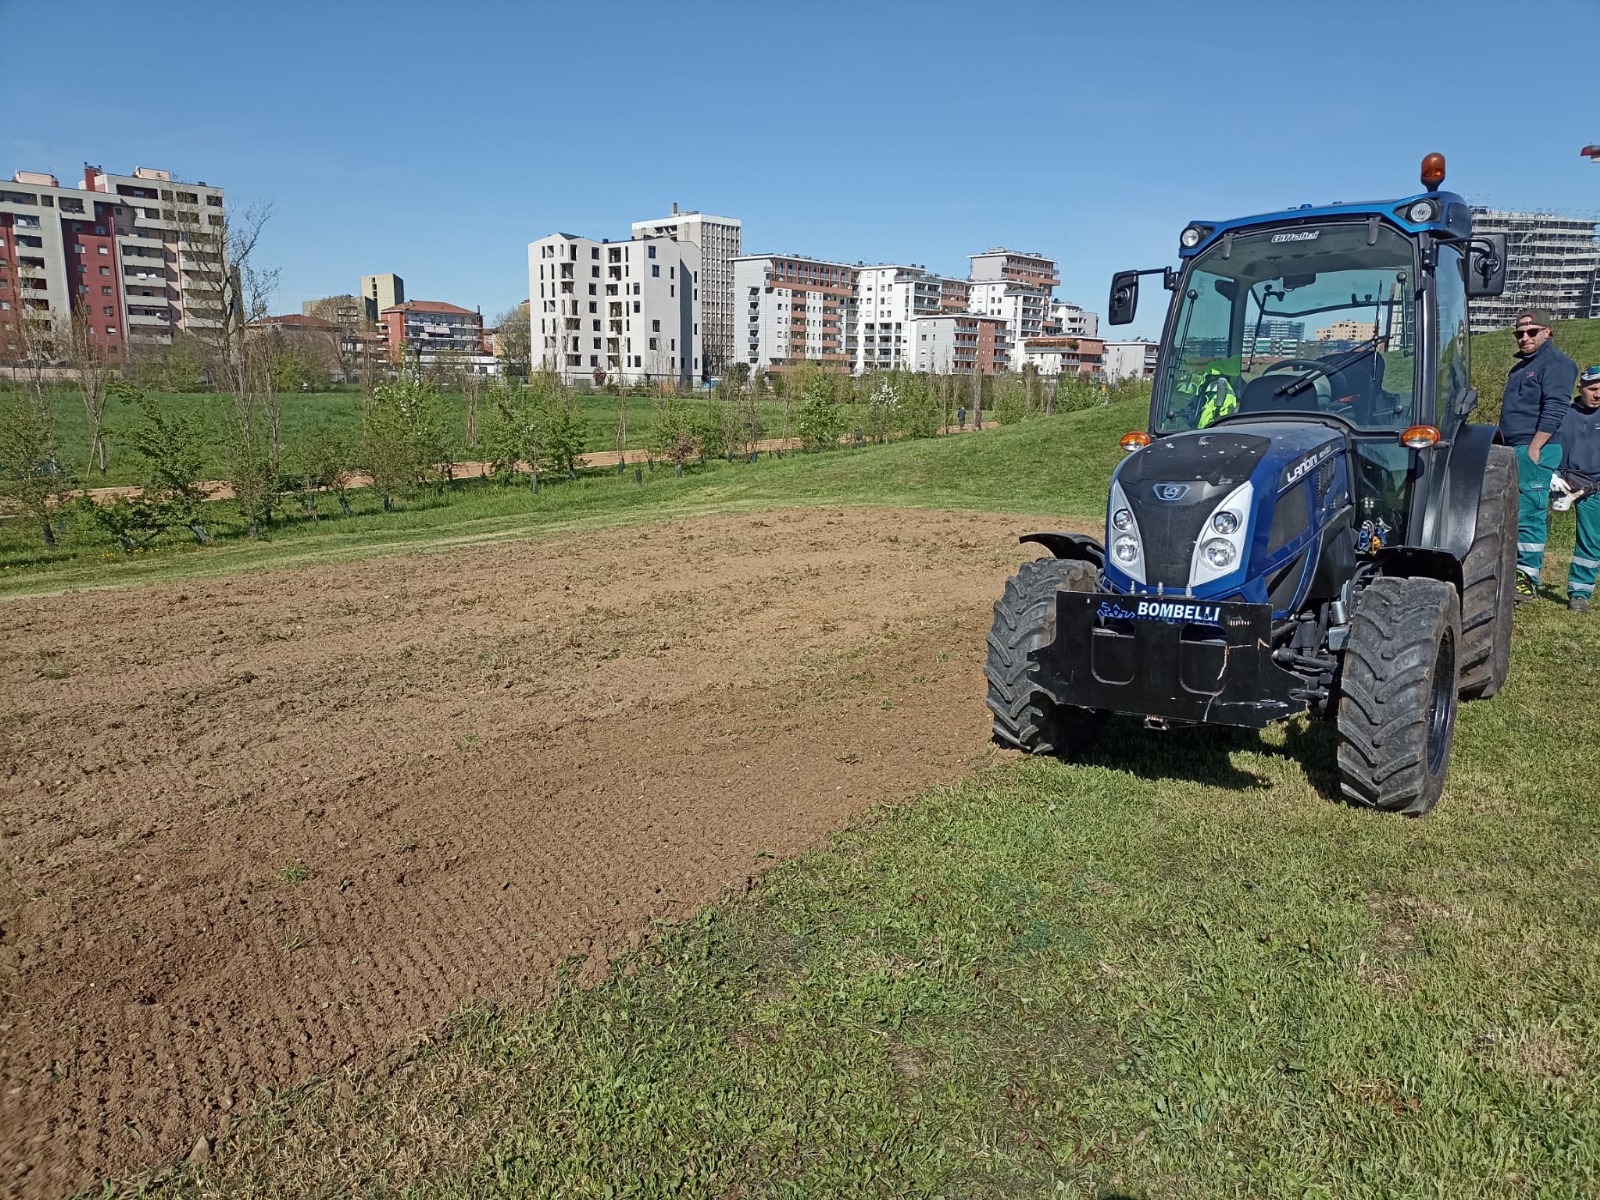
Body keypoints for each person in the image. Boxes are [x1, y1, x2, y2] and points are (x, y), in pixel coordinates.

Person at [1499, 310, 1577, 602]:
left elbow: (1556, 408)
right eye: (1520, 333)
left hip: (1535, 447)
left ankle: (1526, 579)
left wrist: (1535, 447)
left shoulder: (1557, 364)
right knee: (1515, 511)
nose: (1525, 337)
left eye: (1532, 332)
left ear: (1548, 333)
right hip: (1514, 447)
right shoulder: (1520, 368)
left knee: (1531, 512)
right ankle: (1513, 571)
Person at [1554, 364, 1600, 613]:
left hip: (1595, 488)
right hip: (1560, 480)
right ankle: (1524, 581)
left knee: (1591, 542)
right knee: (1533, 525)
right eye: (1593, 388)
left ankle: (1580, 593)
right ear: (1580, 388)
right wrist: (1551, 473)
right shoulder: (1564, 413)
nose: (1598, 394)